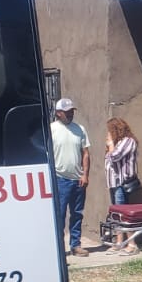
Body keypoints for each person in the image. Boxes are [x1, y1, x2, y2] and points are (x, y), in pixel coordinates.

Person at [51, 98, 91, 257]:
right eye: (67, 112)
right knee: (59, 215)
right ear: (58, 113)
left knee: (77, 213)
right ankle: (59, 247)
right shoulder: (51, 129)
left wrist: (85, 174)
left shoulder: (79, 129)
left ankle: (76, 245)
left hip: (78, 179)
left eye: (72, 111)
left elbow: (86, 153)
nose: (70, 114)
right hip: (59, 179)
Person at [105, 118, 141, 254]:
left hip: (121, 183)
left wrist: (110, 144)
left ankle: (132, 244)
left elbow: (114, 156)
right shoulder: (118, 142)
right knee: (116, 215)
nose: (108, 133)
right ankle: (120, 242)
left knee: (123, 214)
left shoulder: (128, 141)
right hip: (113, 184)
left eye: (110, 130)